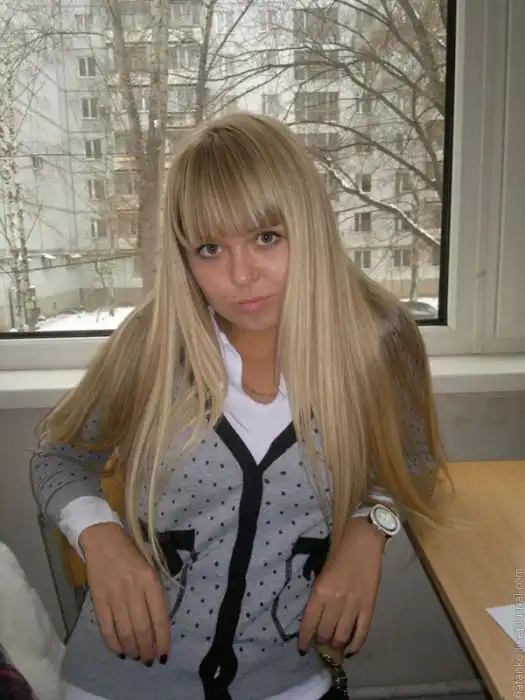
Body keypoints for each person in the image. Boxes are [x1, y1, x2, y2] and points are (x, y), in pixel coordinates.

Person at [30, 112, 449, 700]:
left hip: (290, 680)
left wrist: (370, 528)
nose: (242, 275)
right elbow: (57, 456)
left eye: (267, 237)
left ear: (309, 224)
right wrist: (101, 539)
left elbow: (415, 461)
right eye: (210, 248)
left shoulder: (378, 340)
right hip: (122, 679)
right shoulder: (155, 343)